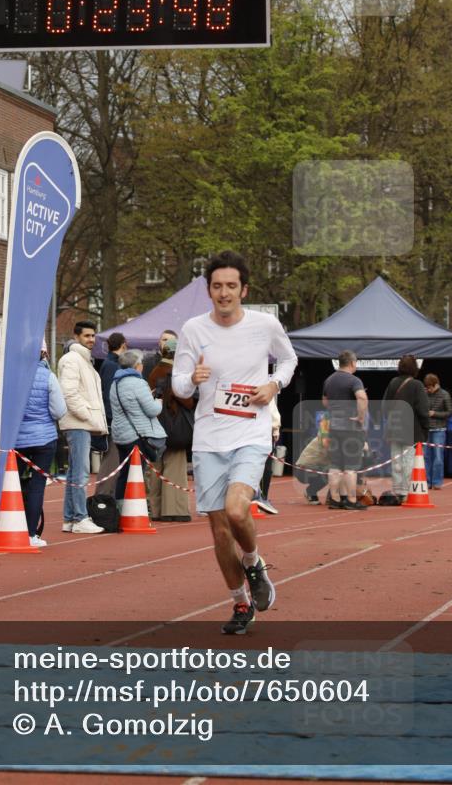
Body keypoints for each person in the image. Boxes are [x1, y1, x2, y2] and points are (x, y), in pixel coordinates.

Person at [172, 250, 297, 635]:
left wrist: (273, 384)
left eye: (230, 286)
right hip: (209, 439)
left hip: (251, 434)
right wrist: (192, 379)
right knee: (220, 530)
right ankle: (240, 603)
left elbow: (290, 361)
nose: (223, 293)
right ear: (208, 290)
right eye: (216, 286)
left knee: (238, 511)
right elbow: (177, 384)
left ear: (244, 289)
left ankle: (254, 562)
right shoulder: (193, 329)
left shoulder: (265, 325)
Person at [58, 321, 108, 534]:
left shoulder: (84, 361)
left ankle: (70, 518)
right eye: (87, 336)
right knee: (80, 472)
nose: (91, 339)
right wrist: (87, 415)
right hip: (78, 423)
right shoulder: (72, 360)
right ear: (76, 336)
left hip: (81, 422)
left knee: (75, 473)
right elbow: (68, 392)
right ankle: (79, 518)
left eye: (93, 335)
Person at [14, 349, 67, 546]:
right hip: (44, 438)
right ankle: (30, 534)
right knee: (37, 486)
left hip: (18, 438)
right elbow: (59, 410)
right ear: (44, 355)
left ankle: (4, 526)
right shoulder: (48, 377)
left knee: (12, 483)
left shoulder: (14, 377)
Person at [111, 349, 167, 508]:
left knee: (124, 474)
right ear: (137, 365)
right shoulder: (138, 383)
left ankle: (120, 509)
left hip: (120, 434)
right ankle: (134, 510)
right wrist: (158, 402)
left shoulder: (115, 383)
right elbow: (152, 410)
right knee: (136, 474)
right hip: (136, 434)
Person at [148, 337, 193, 521]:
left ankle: (156, 510)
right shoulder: (176, 373)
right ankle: (174, 510)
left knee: (156, 469)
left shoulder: (153, 371)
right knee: (175, 468)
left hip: (155, 425)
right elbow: (187, 400)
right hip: (175, 426)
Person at [323, 351, 369, 511]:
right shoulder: (354, 380)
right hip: (351, 428)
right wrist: (360, 417)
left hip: (334, 427)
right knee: (351, 466)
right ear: (352, 363)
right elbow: (362, 398)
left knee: (335, 465)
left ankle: (335, 499)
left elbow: (325, 401)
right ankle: (350, 499)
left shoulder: (329, 380)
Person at [382, 354, 429, 504]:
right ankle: (408, 490)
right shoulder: (417, 385)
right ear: (415, 368)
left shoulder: (392, 382)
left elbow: (384, 407)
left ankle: (398, 491)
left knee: (396, 461)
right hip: (412, 428)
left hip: (394, 428)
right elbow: (423, 410)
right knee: (409, 461)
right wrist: (425, 427)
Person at [422, 373, 452, 490]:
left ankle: (437, 482)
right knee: (425, 457)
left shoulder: (445, 395)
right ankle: (427, 482)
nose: (428, 389)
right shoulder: (424, 394)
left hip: (439, 429)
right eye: (427, 387)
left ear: (436, 385)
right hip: (426, 430)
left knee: (438, 457)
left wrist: (435, 414)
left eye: (430, 387)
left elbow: (449, 412)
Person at [295, 413, 330, 505]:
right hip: (303, 470)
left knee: (336, 471)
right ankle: (311, 491)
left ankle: (332, 498)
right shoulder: (325, 439)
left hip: (315, 467)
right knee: (334, 471)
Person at [254, 398, 281, 514]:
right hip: (262, 433)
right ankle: (262, 498)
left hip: (240, 432)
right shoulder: (264, 386)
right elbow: (272, 410)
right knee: (265, 467)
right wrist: (275, 429)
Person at [99, 332, 127, 425]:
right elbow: (108, 392)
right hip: (112, 417)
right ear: (123, 345)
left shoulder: (113, 362)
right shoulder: (111, 364)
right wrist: (112, 417)